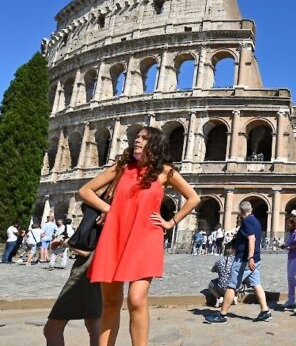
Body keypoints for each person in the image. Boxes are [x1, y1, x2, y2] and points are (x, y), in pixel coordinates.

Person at [80, 127, 200, 346]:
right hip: (115, 235)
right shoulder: (121, 167)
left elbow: (193, 198)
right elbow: (86, 190)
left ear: (155, 144)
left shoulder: (165, 172)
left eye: (144, 138)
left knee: (136, 299)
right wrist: (108, 210)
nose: (137, 140)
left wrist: (170, 222)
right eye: (137, 137)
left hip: (146, 237)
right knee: (110, 302)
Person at [206, 201, 272, 323]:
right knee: (256, 284)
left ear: (241, 211)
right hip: (255, 259)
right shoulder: (256, 221)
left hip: (245, 260)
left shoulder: (246, 221)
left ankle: (222, 314)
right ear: (250, 209)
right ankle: (265, 311)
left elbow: (251, 239)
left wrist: (250, 257)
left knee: (232, 286)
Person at [43, 253, 101, 346]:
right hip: (94, 267)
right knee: (93, 323)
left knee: (52, 330)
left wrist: (65, 242)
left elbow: (85, 249)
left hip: (83, 270)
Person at [282, 215, 296, 308]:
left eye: (288, 223)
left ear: (293, 223)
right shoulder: (292, 232)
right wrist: (285, 245)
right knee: (289, 278)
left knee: (292, 277)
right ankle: (291, 299)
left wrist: (290, 247)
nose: (287, 225)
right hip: (290, 256)